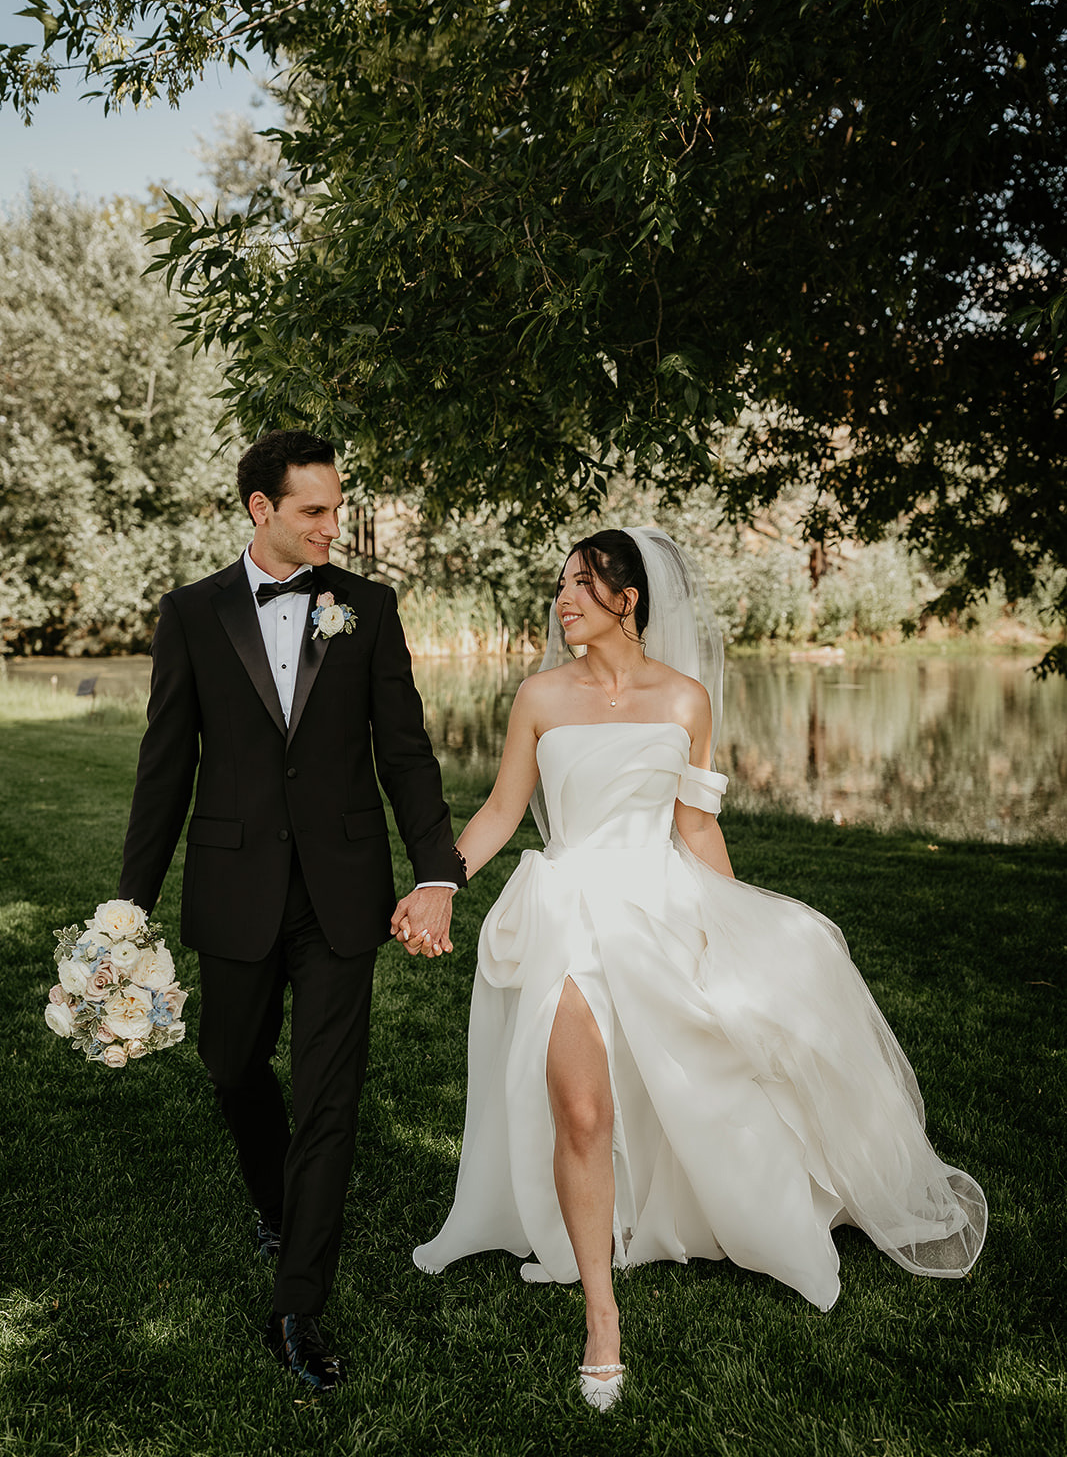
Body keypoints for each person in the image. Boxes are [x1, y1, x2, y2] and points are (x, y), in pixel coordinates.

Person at [398, 526, 986, 1412]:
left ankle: (710, 1214)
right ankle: (603, 1320)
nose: (562, 602)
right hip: (566, 911)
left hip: (661, 907)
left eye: (580, 586)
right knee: (581, 1108)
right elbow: (500, 811)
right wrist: (440, 882)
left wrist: (734, 925)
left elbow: (697, 828)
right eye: (560, 586)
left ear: (627, 601)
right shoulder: (538, 697)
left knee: (703, 1084)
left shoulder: (684, 701)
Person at [119, 428, 465, 1393]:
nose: (332, 526)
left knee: (329, 1099)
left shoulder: (368, 607)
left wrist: (435, 869)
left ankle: (296, 1303)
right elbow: (164, 771)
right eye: (313, 510)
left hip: (340, 893)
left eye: (337, 507)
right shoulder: (192, 614)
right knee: (231, 1064)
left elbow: (404, 750)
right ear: (260, 510)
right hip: (233, 887)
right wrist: (126, 910)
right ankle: (274, 1197)